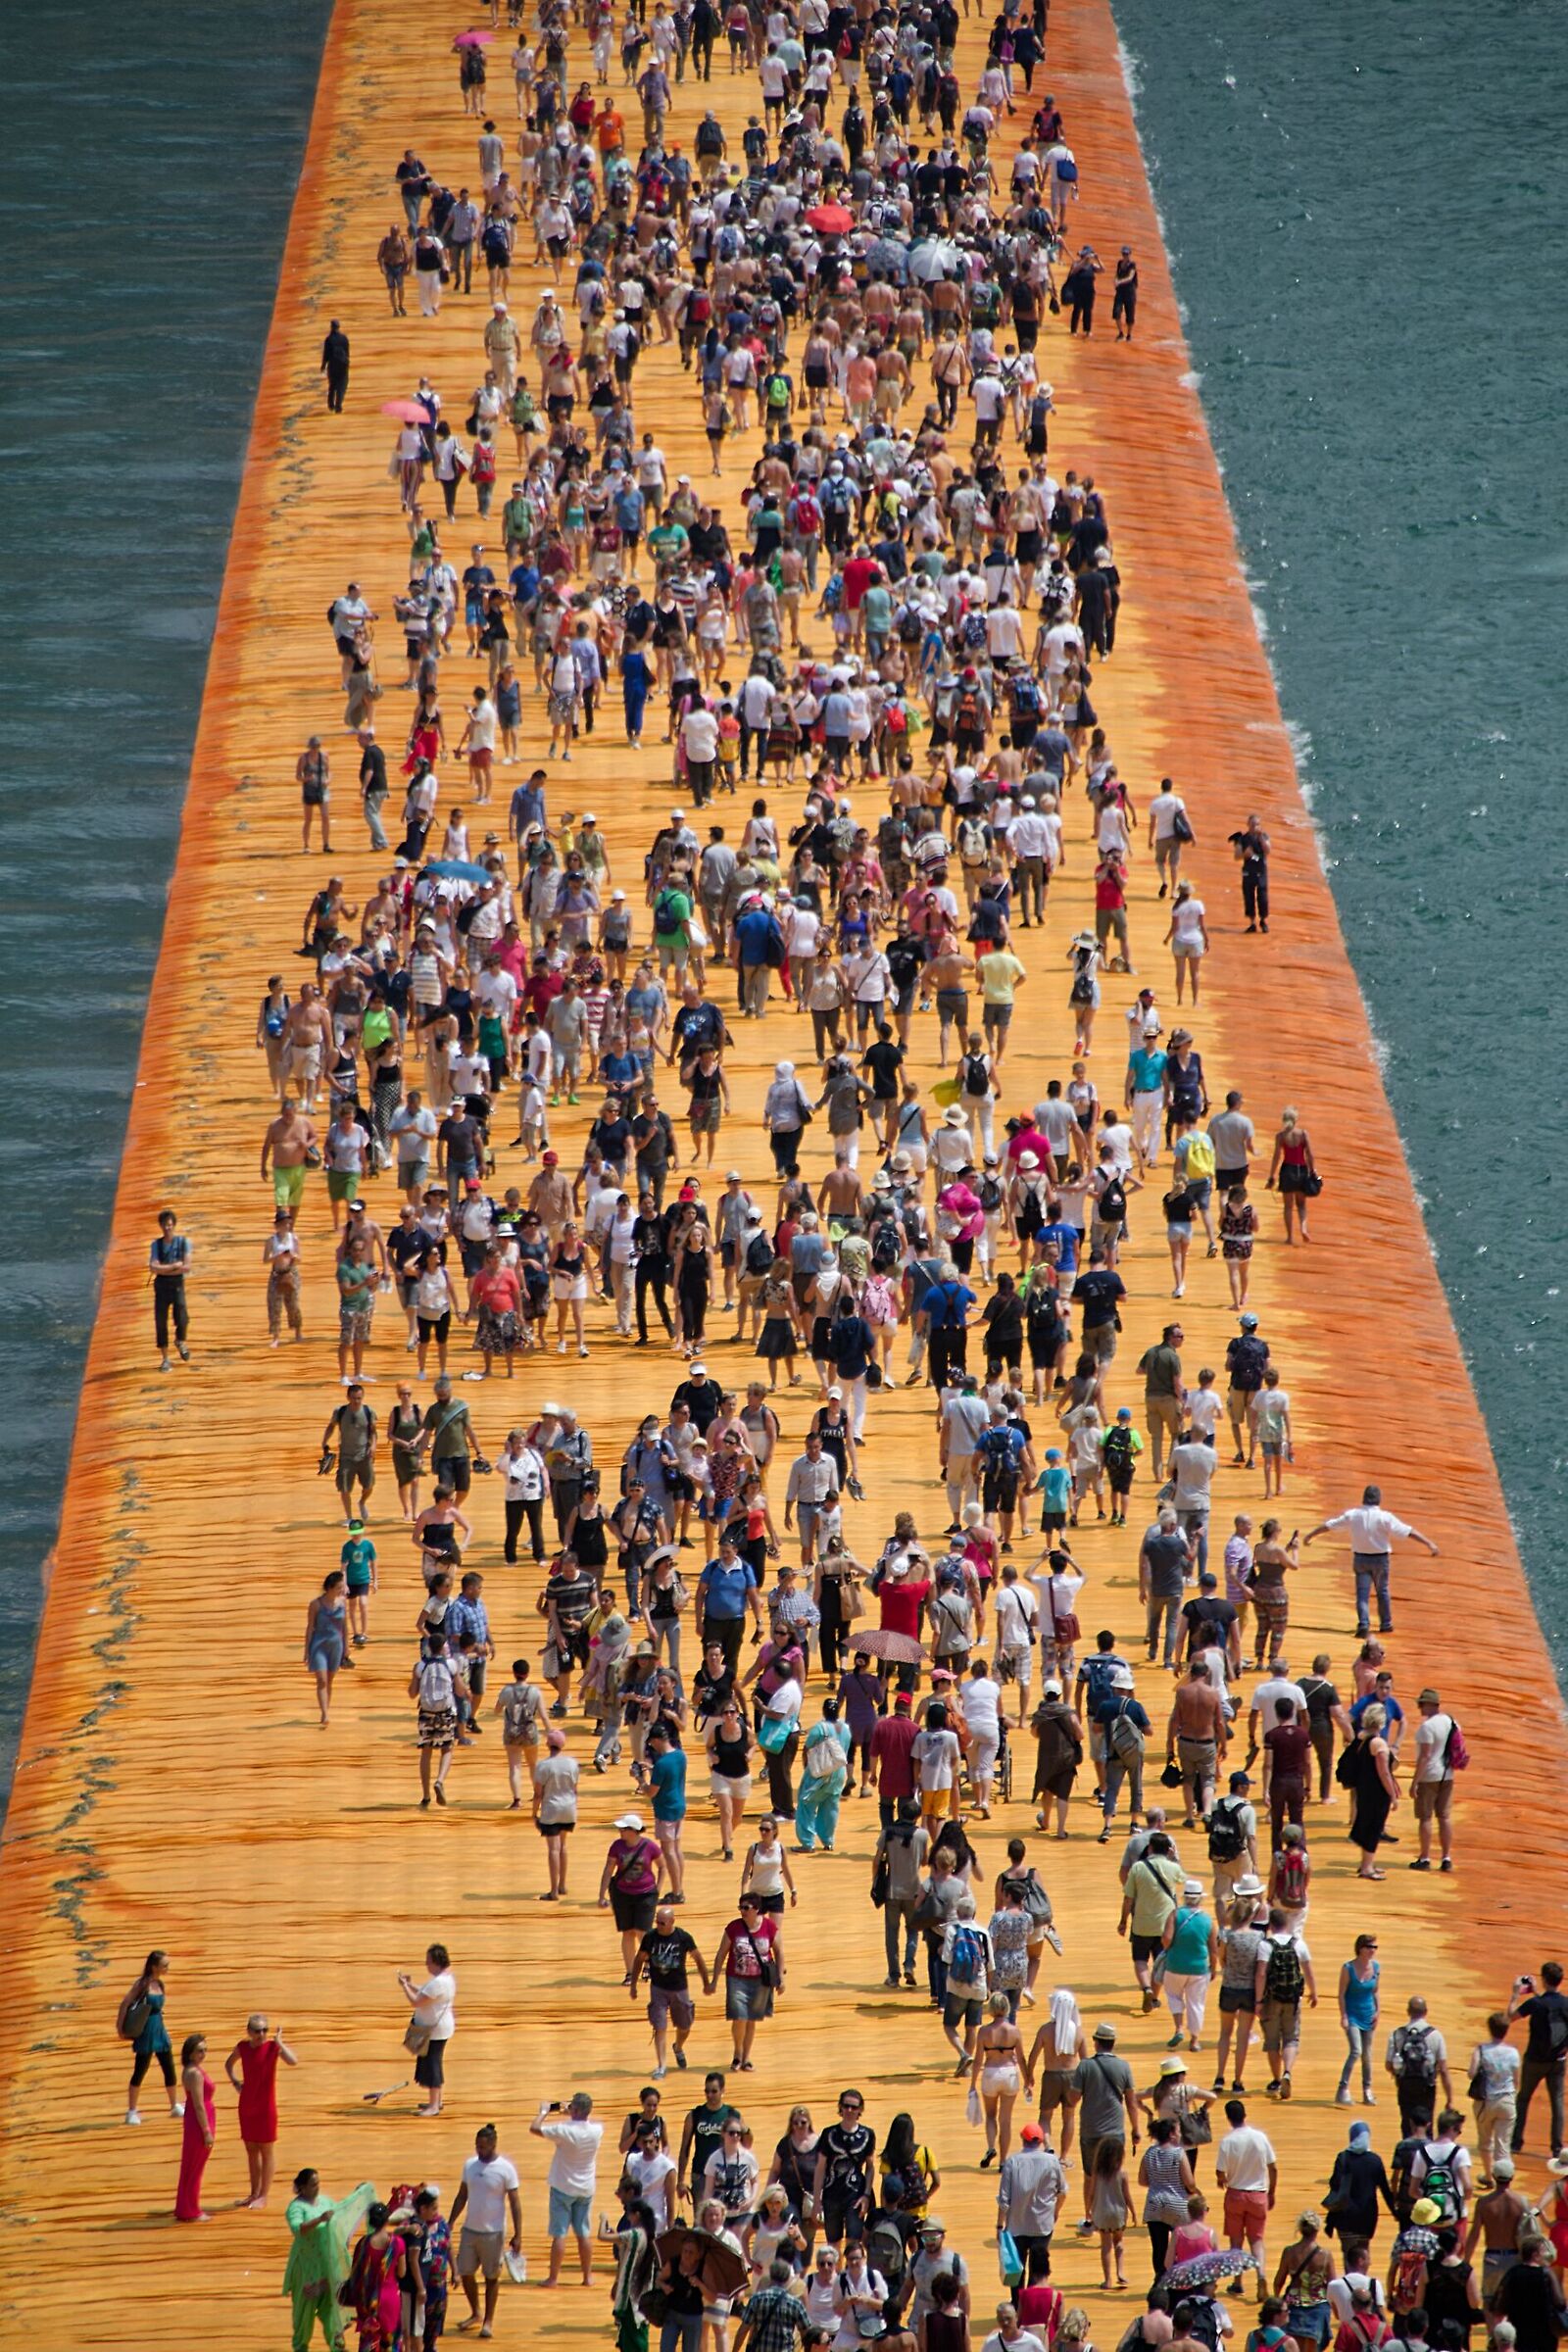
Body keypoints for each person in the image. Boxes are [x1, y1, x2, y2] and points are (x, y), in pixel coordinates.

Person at [284, 2171, 376, 2352]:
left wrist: (358, 2196)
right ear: (301, 2188)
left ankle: (338, 2348)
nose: (317, 2187)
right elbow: (298, 2228)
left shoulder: (325, 2202)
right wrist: (319, 2219)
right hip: (306, 2269)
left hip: (327, 2269)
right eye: (313, 2184)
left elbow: (340, 2216)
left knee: (332, 2313)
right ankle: (300, 2348)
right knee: (304, 2319)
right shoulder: (296, 2208)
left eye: (318, 2183)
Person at [450, 2121, 523, 2328]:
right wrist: (451, 2221)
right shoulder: (470, 2166)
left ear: (493, 2145)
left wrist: (518, 2235)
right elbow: (462, 2195)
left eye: (482, 2147)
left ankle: (488, 2322)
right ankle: (475, 2313)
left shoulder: (505, 2169)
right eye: (477, 2146)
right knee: (465, 2272)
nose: (479, 2151)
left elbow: (515, 2203)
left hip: (494, 2232)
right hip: (470, 2230)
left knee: (492, 2277)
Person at [223, 2013, 298, 2208]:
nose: (262, 2034)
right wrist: (235, 2082)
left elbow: (293, 2061)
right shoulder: (242, 2047)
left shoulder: (273, 2048)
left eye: (265, 2030)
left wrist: (279, 2042)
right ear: (249, 2032)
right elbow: (228, 2063)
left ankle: (263, 2195)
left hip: (266, 2107)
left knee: (267, 2150)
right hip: (247, 2105)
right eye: (257, 2031)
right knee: (251, 2150)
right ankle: (253, 2193)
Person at [532, 2090, 603, 2286]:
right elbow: (584, 2122)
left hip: (563, 2187)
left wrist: (544, 2112)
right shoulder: (597, 2130)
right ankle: (587, 2276)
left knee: (559, 2234)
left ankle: (553, 2278)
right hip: (585, 2188)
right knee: (583, 2233)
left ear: (577, 2109)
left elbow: (535, 2128)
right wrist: (571, 2114)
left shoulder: (564, 2130)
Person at [714, 1893, 783, 2071]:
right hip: (737, 1979)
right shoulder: (734, 1927)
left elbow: (779, 1951)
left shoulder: (769, 1926)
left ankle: (746, 2057)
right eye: (740, 1908)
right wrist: (714, 1980)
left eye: (746, 1908)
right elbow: (721, 1953)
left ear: (757, 1909)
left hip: (760, 1980)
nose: (742, 1911)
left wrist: (781, 1978)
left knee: (751, 2019)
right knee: (739, 2017)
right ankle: (737, 2053)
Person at [998, 2122, 1067, 2286]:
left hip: (1017, 2225)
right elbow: (1063, 2192)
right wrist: (1056, 2211)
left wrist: (999, 2226)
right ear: (1041, 2141)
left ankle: (1017, 2303)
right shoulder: (1052, 2162)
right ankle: (1032, 2303)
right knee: (1037, 2268)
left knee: (1016, 2270)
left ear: (1023, 2139)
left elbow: (1004, 2200)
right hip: (1042, 2225)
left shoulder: (1012, 2162)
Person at [119, 1948, 180, 2126]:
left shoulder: (159, 1985)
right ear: (154, 1966)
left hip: (159, 2030)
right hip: (145, 2032)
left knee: (169, 2067)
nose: (167, 1967)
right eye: (164, 1965)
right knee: (140, 2070)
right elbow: (125, 2003)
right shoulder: (142, 1985)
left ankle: (174, 2105)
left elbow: (157, 2008)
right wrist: (120, 2027)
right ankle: (131, 2111)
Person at [399, 1942, 457, 2117]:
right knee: (434, 2063)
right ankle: (436, 2101)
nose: (426, 1965)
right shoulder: (447, 1978)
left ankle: (434, 2106)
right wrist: (410, 1985)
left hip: (434, 2031)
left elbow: (416, 2001)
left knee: (433, 2066)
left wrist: (404, 1986)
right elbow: (425, 1993)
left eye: (428, 1961)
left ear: (435, 1962)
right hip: (441, 2028)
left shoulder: (438, 1982)